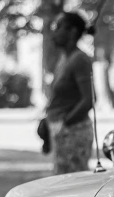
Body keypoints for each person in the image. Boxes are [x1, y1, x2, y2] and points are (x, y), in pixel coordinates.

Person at [46, 11, 95, 174]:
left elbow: (89, 99)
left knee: (71, 186)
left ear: (72, 31)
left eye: (58, 27)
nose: (54, 31)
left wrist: (65, 123)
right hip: (61, 132)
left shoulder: (79, 59)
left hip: (74, 132)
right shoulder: (64, 58)